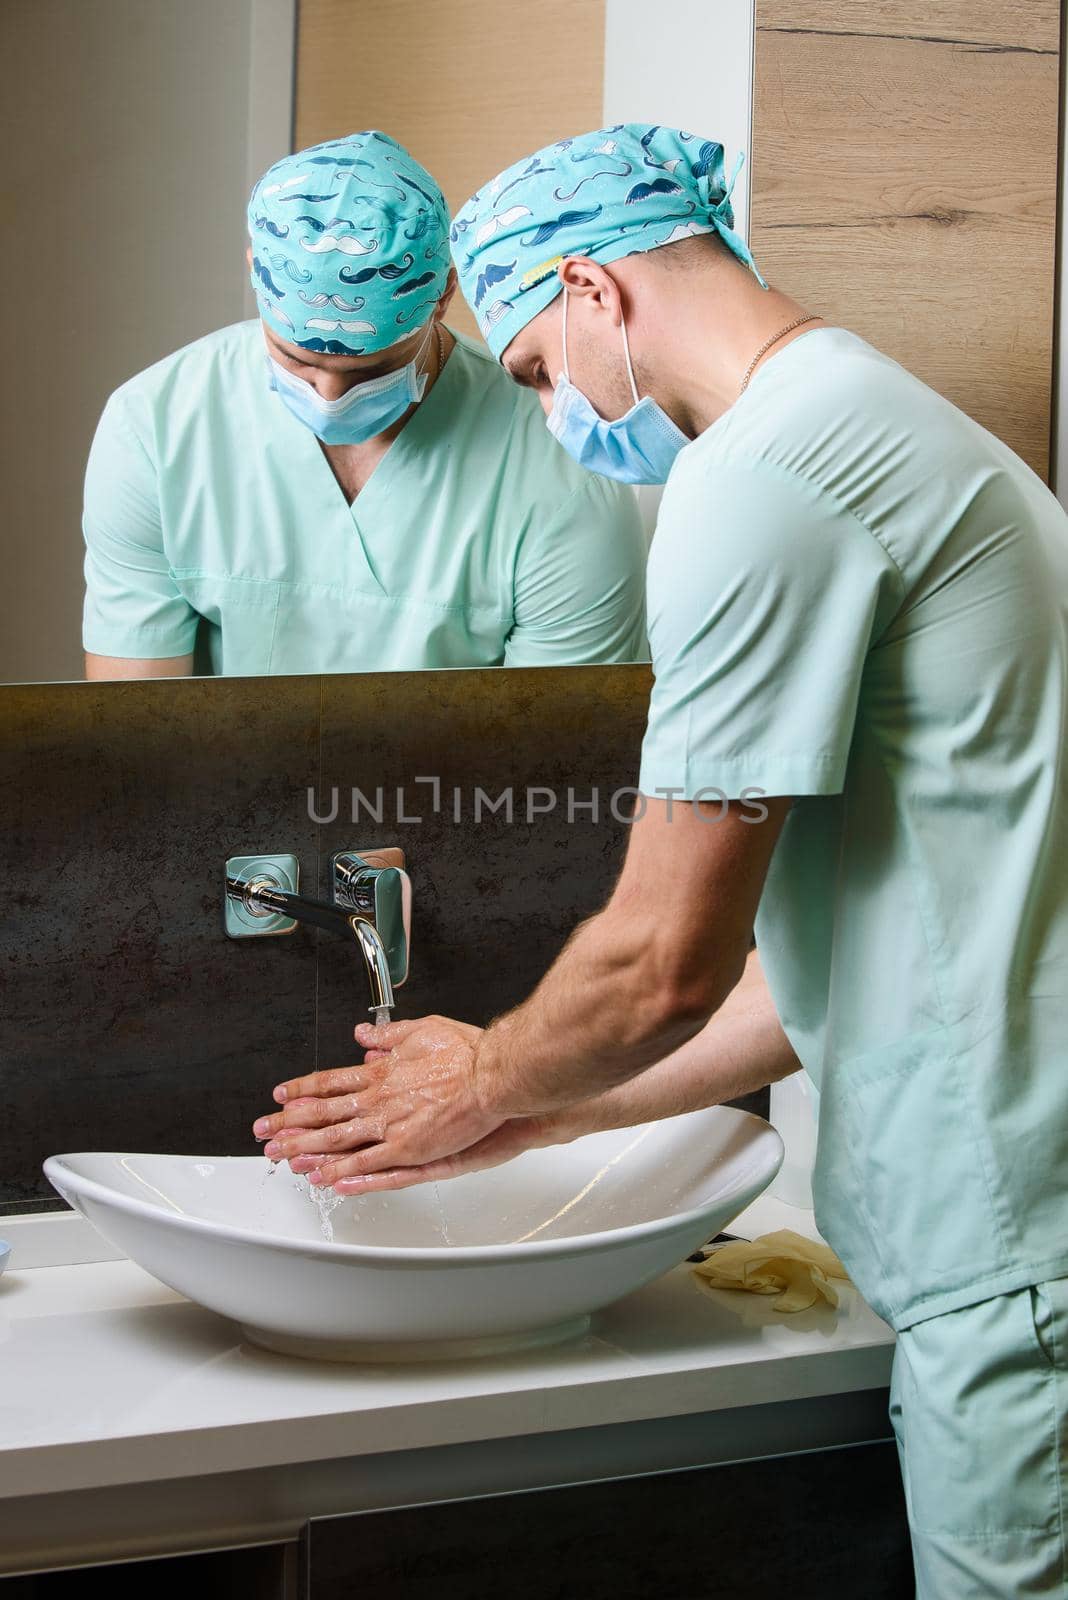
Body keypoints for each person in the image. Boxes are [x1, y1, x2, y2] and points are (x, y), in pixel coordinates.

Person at [251, 125, 1068, 1593]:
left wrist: (491, 1072)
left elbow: (663, 961)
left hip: (1013, 1245)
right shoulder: (882, 424)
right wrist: (545, 1121)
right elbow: (838, 971)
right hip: (1020, 1225)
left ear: (592, 289)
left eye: (538, 367)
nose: (557, 407)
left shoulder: (766, 476)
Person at [81, 130, 647, 678]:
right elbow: (138, 728)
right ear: (254, 267)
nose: (330, 398)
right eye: (297, 361)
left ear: (444, 296)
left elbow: (556, 747)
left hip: (460, 780)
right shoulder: (156, 428)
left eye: (372, 370)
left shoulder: (562, 467)